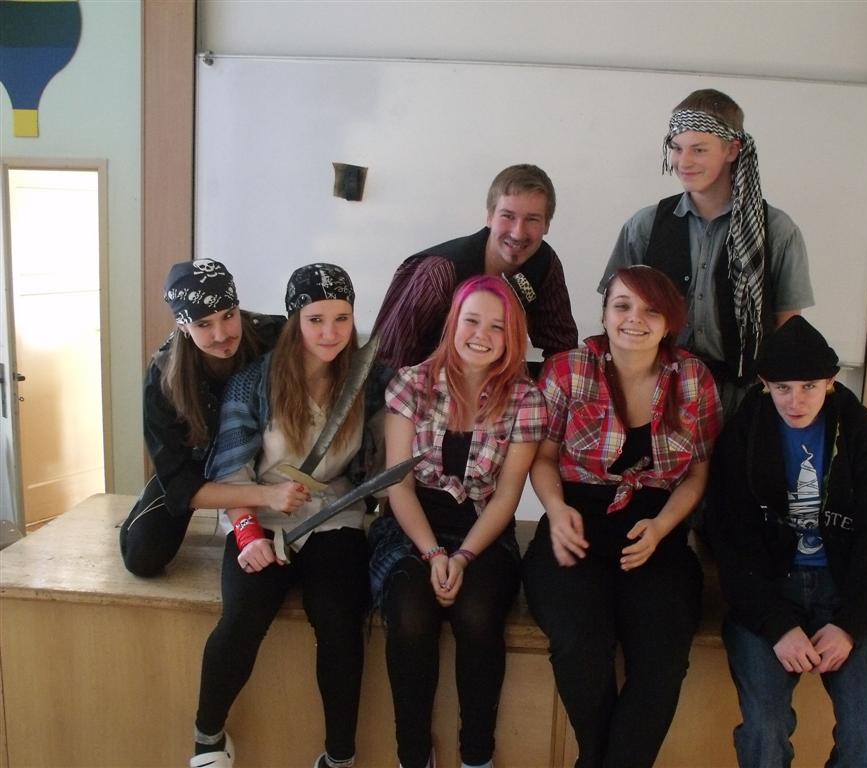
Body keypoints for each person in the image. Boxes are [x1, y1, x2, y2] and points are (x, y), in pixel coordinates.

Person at [522, 265, 722, 768]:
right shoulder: (567, 369)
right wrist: (556, 509)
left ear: (670, 321)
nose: (635, 319)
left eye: (651, 310)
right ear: (605, 312)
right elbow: (542, 459)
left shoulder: (693, 377)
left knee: (663, 658)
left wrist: (662, 527)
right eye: (622, 306)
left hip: (655, 530)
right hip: (577, 523)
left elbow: (698, 474)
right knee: (579, 645)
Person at [190, 264, 371, 768]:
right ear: (294, 320)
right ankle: (207, 737)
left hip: (335, 515)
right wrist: (248, 531)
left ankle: (340, 756)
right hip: (259, 513)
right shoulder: (253, 382)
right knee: (243, 616)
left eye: (342, 318)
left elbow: (378, 454)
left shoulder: (367, 377)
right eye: (316, 319)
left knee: (339, 620)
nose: (330, 332)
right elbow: (230, 468)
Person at [704, 316, 867, 767]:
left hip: (842, 590)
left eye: (810, 386)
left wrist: (850, 624)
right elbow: (731, 541)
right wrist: (775, 625)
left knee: (865, 738)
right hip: (769, 591)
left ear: (831, 382)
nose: (796, 401)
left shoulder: (863, 434)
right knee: (765, 728)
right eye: (783, 388)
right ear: (764, 385)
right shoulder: (742, 436)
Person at [368, 275, 547, 768]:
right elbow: (398, 484)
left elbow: (507, 496)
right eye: (472, 320)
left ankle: (476, 757)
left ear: (512, 336)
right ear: (453, 323)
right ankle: (413, 756)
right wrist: (432, 554)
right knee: (410, 613)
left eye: (497, 326)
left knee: (477, 614)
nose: (481, 334)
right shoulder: (411, 383)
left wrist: (463, 557)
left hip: (482, 529)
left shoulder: (527, 399)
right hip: (411, 525)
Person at [599, 89, 814, 415]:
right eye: (676, 148)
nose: (683, 161)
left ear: (732, 149)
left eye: (699, 150)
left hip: (740, 398)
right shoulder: (645, 225)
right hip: (657, 393)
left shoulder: (776, 230)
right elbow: (613, 311)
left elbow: (789, 328)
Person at [119, 258, 307, 577]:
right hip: (196, 464)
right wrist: (267, 496)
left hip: (262, 455)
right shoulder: (163, 376)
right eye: (203, 324)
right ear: (183, 326)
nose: (221, 334)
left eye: (229, 316)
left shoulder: (273, 335)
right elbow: (182, 484)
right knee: (142, 555)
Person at [370, 163, 577, 393]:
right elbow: (386, 366)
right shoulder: (437, 272)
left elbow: (563, 353)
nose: (518, 232)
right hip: (424, 397)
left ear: (547, 225)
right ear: (489, 216)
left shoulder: (544, 264)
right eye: (508, 216)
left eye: (532, 219)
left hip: (498, 394)